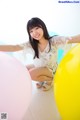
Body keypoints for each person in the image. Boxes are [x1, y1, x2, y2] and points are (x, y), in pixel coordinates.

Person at [0, 17, 80, 91]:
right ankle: (42, 78)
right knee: (24, 69)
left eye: (37, 28)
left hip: (52, 69)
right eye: (31, 31)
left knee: (31, 74)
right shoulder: (32, 44)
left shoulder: (54, 41)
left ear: (43, 27)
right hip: (40, 65)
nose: (34, 33)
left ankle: (50, 80)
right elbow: (14, 47)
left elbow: (73, 38)